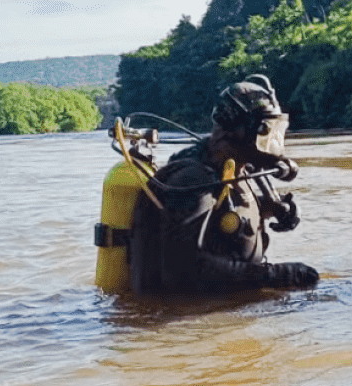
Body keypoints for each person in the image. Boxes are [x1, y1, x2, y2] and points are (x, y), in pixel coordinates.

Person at [129, 75, 319, 294]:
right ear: (236, 130)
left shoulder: (235, 170)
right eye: (264, 130)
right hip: (188, 322)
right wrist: (275, 276)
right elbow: (183, 271)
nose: (271, 140)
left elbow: (222, 218)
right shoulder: (193, 181)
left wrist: (268, 208)